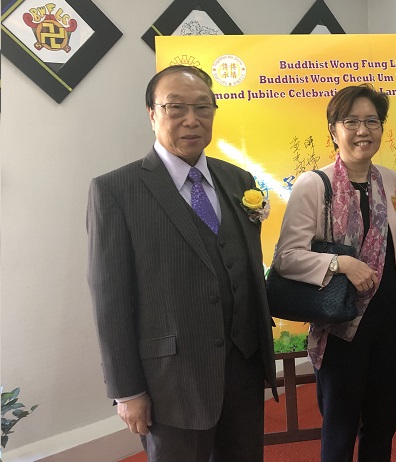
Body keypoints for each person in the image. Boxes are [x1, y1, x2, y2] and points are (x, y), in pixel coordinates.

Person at [87, 65, 277, 462]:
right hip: (171, 381)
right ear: (152, 114)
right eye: (176, 108)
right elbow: (110, 300)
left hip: (243, 368)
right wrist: (127, 391)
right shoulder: (116, 190)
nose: (192, 119)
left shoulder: (239, 180)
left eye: (203, 107)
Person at [271, 84, 396, 462]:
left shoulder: (394, 182)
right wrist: (341, 263)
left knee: (383, 425)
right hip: (341, 327)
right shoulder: (314, 184)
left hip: (390, 324)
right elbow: (286, 257)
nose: (362, 130)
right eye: (351, 121)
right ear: (333, 131)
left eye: (372, 121)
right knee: (340, 428)